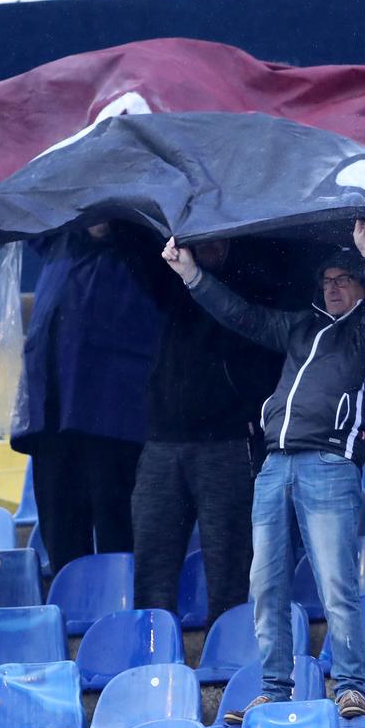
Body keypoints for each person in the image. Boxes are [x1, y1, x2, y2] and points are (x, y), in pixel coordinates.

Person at [163, 221, 365, 724]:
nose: (334, 287)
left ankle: (351, 686)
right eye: (328, 280)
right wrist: (191, 275)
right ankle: (274, 690)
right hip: (274, 465)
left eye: (345, 279)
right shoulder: (301, 327)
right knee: (265, 586)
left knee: (336, 582)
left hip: (329, 465)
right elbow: (242, 316)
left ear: (361, 286)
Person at [131, 238, 284, 628]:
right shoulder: (169, 269)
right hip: (163, 439)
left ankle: (230, 664)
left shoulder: (262, 267)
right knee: (152, 567)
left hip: (230, 439)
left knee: (229, 570)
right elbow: (129, 246)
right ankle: (154, 664)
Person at [11, 222, 162, 574]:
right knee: (61, 539)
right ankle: (72, 616)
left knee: (120, 536)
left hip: (113, 417)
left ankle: (125, 618)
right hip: (51, 415)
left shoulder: (141, 251)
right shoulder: (58, 239)